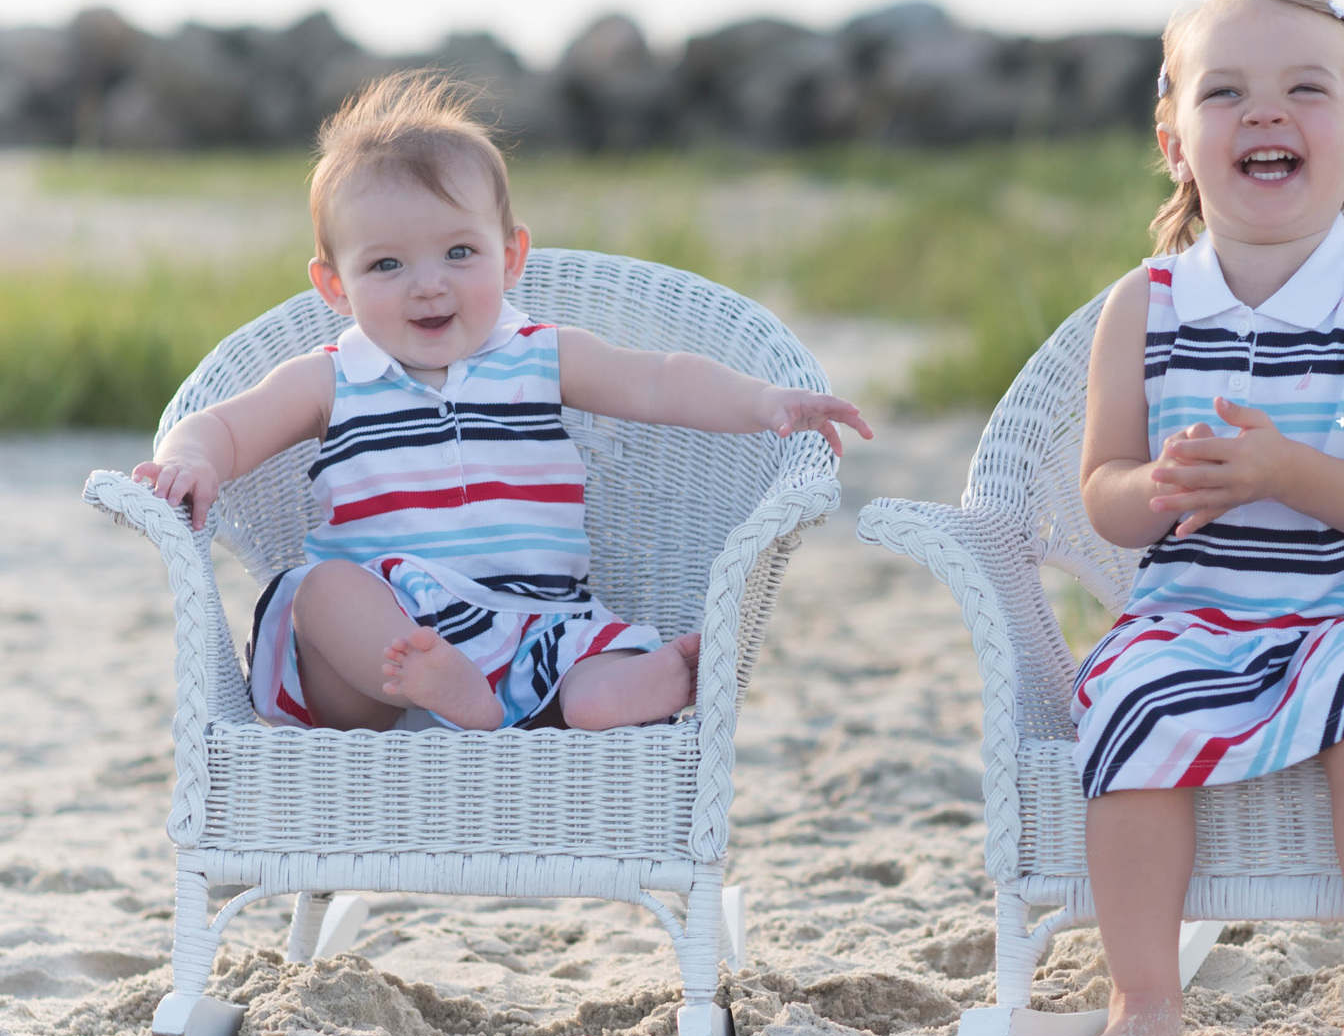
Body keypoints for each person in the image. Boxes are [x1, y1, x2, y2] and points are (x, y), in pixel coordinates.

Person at [134, 71, 870, 734]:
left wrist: (764, 400)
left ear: (510, 256)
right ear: (334, 287)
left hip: (532, 625)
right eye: (386, 264)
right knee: (323, 591)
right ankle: (443, 685)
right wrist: (189, 458)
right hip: (386, 656)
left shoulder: (541, 356)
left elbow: (659, 380)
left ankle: (634, 683)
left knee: (588, 688)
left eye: (460, 252)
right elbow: (224, 425)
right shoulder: (331, 377)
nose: (429, 284)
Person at [1072, 0, 1344, 1036]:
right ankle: (1144, 1002)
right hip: (1197, 610)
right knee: (1129, 705)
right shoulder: (1146, 305)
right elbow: (1099, 489)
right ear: (1174, 141)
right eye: (1226, 93)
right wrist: (1153, 485)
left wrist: (1281, 470)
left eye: (1305, 90)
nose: (1264, 114)